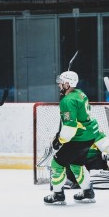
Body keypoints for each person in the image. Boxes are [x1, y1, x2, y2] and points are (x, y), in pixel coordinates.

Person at [43, 71, 98, 205]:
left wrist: (59, 140)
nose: (59, 85)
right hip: (89, 136)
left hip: (77, 138)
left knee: (57, 163)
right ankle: (88, 191)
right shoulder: (80, 93)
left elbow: (70, 128)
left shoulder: (67, 101)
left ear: (68, 84)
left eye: (61, 83)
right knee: (77, 164)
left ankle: (58, 194)